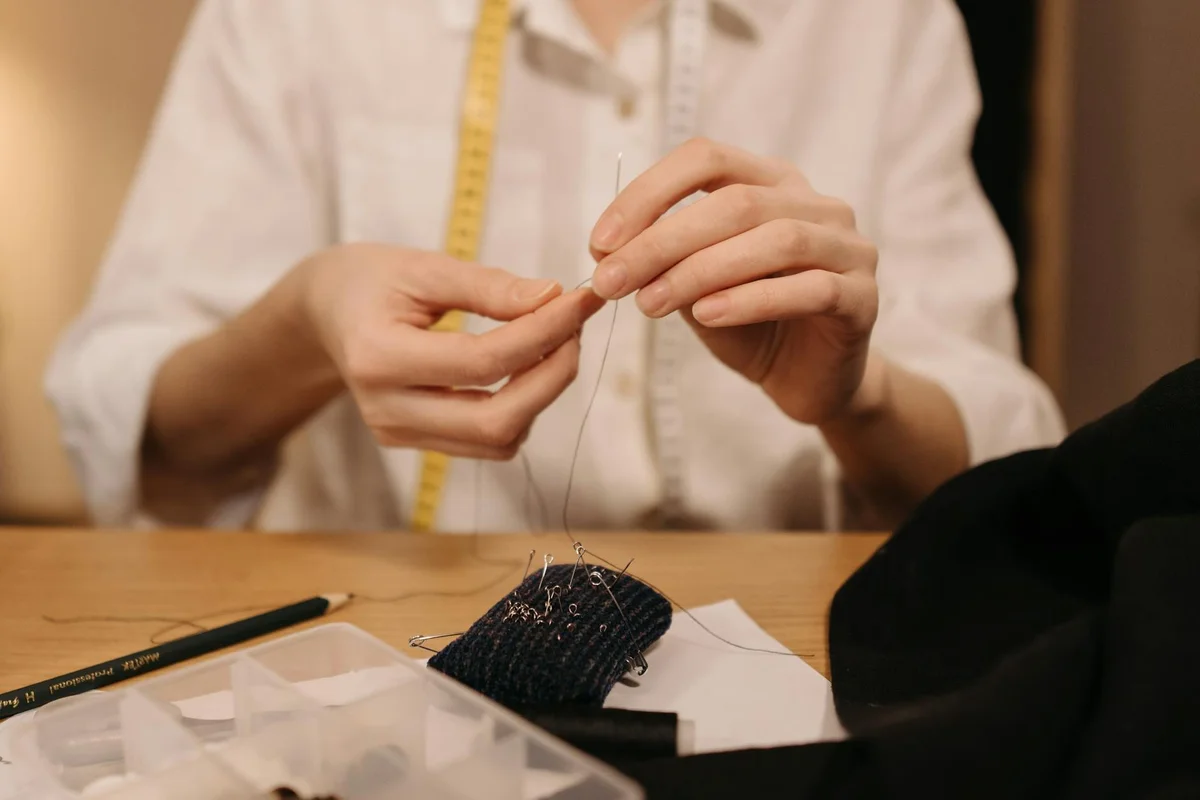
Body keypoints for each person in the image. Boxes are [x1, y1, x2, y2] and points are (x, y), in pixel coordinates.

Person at [45, 0, 1065, 533]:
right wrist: (306, 322)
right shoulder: (300, 14)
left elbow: (1003, 474)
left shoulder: (887, 21)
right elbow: (135, 430)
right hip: (384, 670)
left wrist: (858, 393)